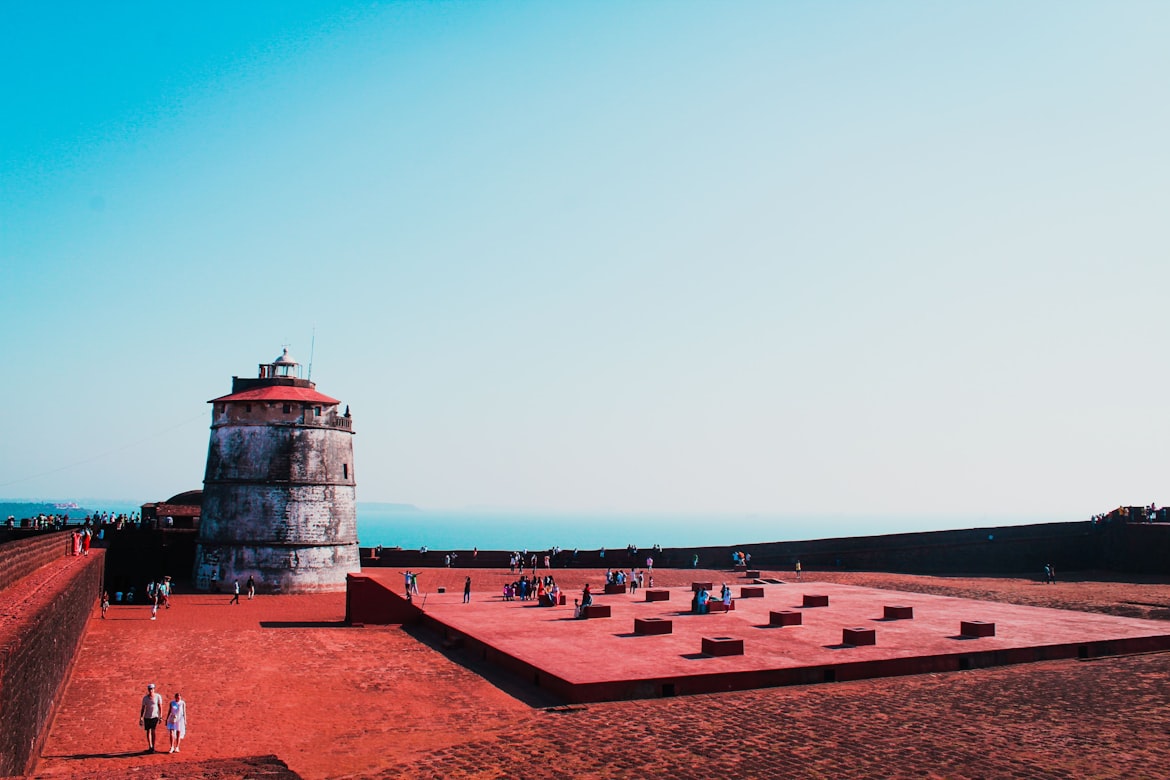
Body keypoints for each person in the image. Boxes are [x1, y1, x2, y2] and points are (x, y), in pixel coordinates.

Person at [139, 683, 163, 752]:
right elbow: (143, 708)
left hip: (154, 716)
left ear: (154, 689)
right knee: (148, 731)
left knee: (153, 730)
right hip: (147, 716)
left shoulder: (158, 696)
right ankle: (150, 746)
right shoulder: (145, 698)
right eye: (149, 689)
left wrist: (160, 716)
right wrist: (141, 717)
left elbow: (160, 706)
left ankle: (153, 747)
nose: (151, 690)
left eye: (152, 689)